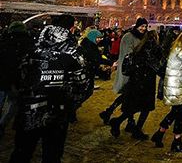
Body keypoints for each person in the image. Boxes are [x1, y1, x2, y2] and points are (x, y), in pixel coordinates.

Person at [10, 14, 90, 163]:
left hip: (29, 107)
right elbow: (83, 84)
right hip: (57, 110)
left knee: (22, 151)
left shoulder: (33, 48)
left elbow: (19, 76)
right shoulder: (73, 52)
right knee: (52, 154)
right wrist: (71, 102)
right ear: (71, 29)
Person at [109, 30, 163, 140]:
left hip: (136, 81)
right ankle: (136, 130)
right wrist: (164, 72)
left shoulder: (140, 48)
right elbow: (156, 65)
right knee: (145, 107)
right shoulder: (151, 48)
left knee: (135, 107)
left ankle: (118, 121)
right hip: (145, 82)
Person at [99, 18, 148, 127]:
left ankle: (109, 112)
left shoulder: (141, 37)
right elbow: (128, 54)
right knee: (128, 95)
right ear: (137, 26)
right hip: (128, 70)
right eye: (142, 26)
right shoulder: (128, 37)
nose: (143, 28)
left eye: (145, 26)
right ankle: (118, 116)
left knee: (127, 96)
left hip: (135, 69)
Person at [0, 22, 33, 140]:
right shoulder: (29, 43)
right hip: (18, 80)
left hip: (2, 77)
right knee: (13, 104)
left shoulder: (4, 41)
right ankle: (2, 124)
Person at [80, 29, 104, 98]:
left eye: (100, 38)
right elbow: (96, 58)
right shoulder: (89, 46)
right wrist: (110, 63)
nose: (99, 39)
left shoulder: (89, 44)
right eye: (98, 38)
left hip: (90, 68)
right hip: (88, 68)